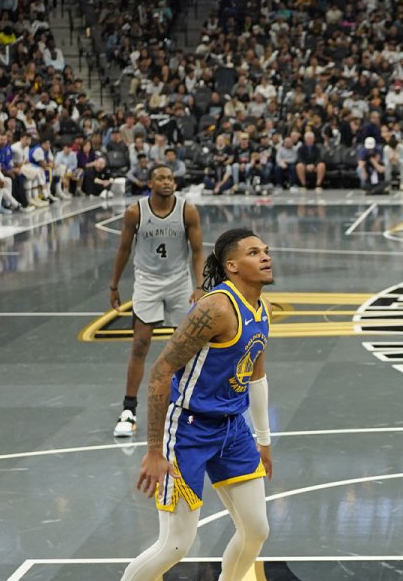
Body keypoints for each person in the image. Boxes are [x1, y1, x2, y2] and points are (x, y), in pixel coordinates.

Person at [121, 228, 274, 581]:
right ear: (232, 265)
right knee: (176, 544)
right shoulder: (215, 308)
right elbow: (160, 372)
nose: (265, 257)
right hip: (189, 429)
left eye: (265, 250)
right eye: (254, 253)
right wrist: (155, 450)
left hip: (233, 430)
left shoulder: (261, 307)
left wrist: (263, 439)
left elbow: (256, 376)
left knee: (256, 530)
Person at [109, 166, 204, 437]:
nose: (167, 182)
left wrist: (199, 285)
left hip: (178, 280)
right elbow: (124, 249)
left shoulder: (187, 210)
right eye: (161, 178)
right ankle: (128, 409)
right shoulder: (135, 212)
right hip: (148, 280)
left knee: (185, 346)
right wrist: (114, 285)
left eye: (170, 178)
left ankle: (187, 407)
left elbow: (198, 251)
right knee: (140, 344)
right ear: (150, 182)